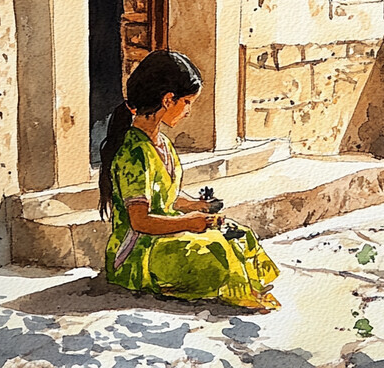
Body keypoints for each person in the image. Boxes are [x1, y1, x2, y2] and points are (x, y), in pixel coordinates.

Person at [98, 50, 280, 310]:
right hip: (141, 251)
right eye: (187, 102)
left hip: (165, 233)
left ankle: (248, 284)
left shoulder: (163, 145)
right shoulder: (133, 152)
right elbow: (140, 221)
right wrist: (191, 223)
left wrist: (200, 207)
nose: (188, 111)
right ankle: (237, 287)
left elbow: (166, 198)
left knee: (239, 234)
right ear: (168, 100)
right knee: (213, 248)